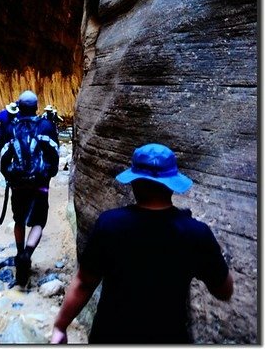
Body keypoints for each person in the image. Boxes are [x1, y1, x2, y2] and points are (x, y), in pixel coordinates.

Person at [51, 143, 233, 344]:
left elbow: (85, 283)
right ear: (172, 184)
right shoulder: (195, 233)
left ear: (134, 182)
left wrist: (60, 326)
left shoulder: (109, 225)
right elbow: (224, 291)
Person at [0, 89, 60, 286]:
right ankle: (27, 253)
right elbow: (54, 153)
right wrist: (50, 173)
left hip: (17, 184)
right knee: (38, 222)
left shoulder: (9, 127)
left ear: (18, 106)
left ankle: (19, 254)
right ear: (36, 107)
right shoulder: (46, 125)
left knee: (18, 220)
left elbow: (2, 157)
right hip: (40, 183)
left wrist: (9, 177)